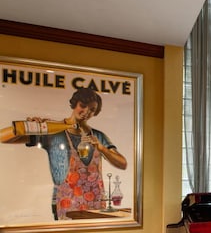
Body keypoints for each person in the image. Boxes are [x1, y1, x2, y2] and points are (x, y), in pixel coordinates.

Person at [0, 87, 127, 220]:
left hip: (96, 205)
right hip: (66, 205)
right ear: (74, 104)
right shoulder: (54, 132)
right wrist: (29, 126)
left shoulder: (98, 136)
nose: (86, 112)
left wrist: (102, 148)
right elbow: (2, 137)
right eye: (82, 106)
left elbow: (123, 164)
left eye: (92, 110)